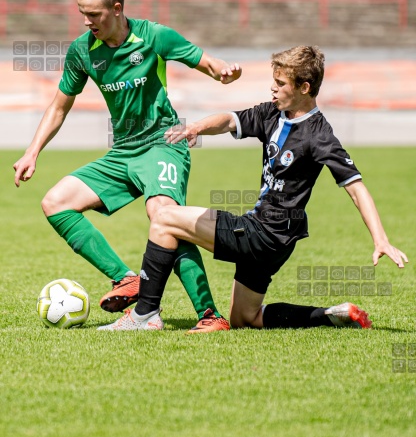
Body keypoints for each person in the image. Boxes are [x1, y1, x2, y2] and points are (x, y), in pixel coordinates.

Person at [97, 45, 408, 332]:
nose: (272, 88)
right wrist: (196, 127)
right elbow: (231, 120)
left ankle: (145, 315)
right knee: (245, 318)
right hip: (278, 237)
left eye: (280, 83)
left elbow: (355, 186)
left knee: (165, 217)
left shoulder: (320, 135)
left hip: (265, 233)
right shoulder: (274, 112)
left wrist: (381, 239)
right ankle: (330, 314)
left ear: (304, 88)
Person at [13, 0, 242, 333]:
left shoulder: (154, 36)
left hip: (163, 144)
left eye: (93, 15)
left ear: (117, 9)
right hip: (123, 153)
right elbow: (59, 106)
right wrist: (32, 152)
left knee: (164, 214)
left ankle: (209, 316)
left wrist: (225, 73)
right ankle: (126, 279)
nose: (87, 22)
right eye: (81, 14)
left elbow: (209, 64)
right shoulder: (82, 50)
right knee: (55, 202)